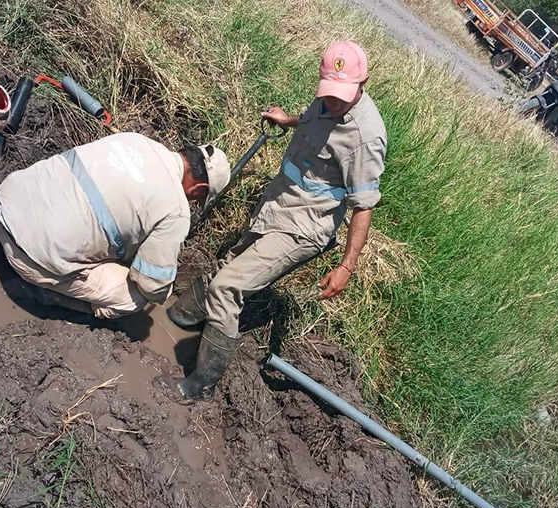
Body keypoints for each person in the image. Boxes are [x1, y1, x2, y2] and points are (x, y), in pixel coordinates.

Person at [159, 41, 387, 400]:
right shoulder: (327, 99)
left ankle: (200, 384)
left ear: (363, 83)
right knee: (229, 263)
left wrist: (346, 266)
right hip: (277, 205)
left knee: (228, 287)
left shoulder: (366, 137)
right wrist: (288, 120)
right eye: (328, 93)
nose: (332, 102)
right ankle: (180, 317)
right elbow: (313, 124)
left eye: (341, 96)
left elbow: (364, 206)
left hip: (304, 227)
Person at [0, 132, 230, 318]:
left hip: (4, 206)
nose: (192, 202)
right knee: (136, 298)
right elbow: (151, 285)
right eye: (197, 198)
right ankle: (48, 297)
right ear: (199, 188)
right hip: (29, 259)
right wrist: (164, 289)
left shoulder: (136, 140)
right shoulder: (177, 211)